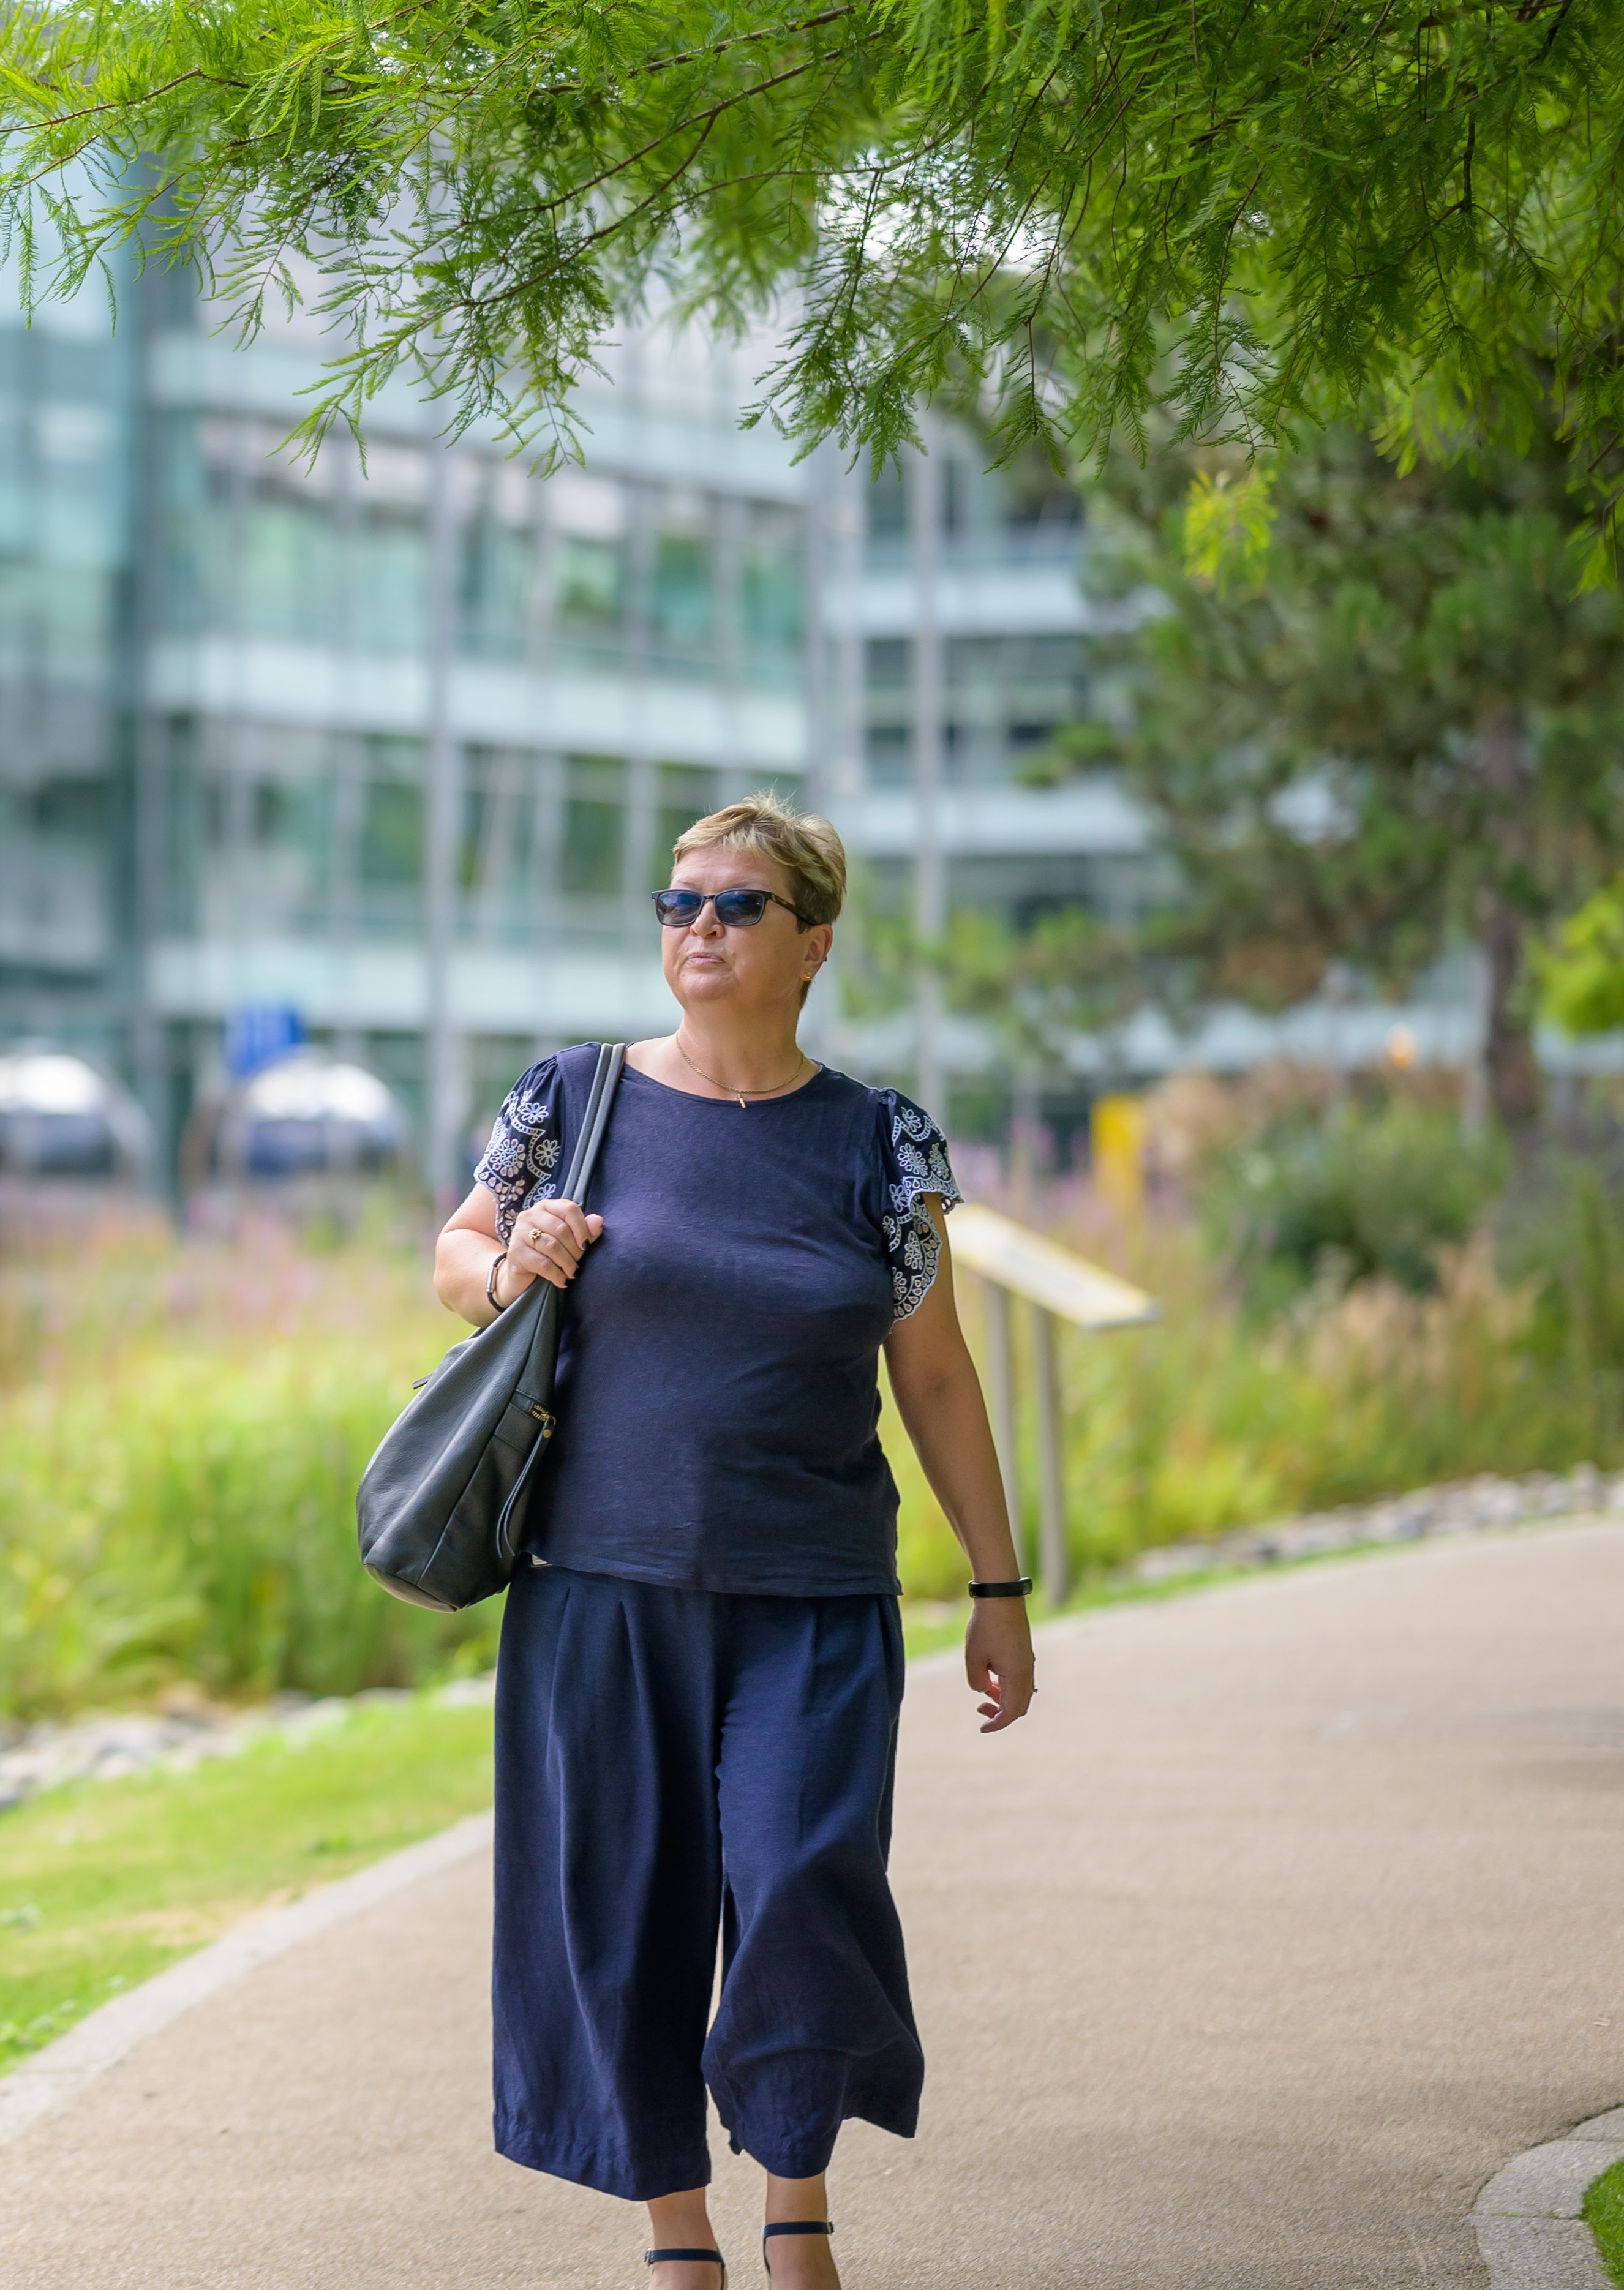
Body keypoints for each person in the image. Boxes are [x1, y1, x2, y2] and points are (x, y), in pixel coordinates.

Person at [428, 795, 1036, 2289]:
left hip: (816, 1597)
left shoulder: (880, 1141)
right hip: (601, 1590)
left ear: (814, 940)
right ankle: (678, 2241)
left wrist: (1000, 1584)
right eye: (679, 901)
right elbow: (453, 1255)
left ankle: (798, 2204)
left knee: (803, 1877)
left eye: (738, 905)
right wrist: (513, 1261)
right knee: (623, 1914)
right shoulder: (574, 1098)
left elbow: (937, 1372)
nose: (697, 926)